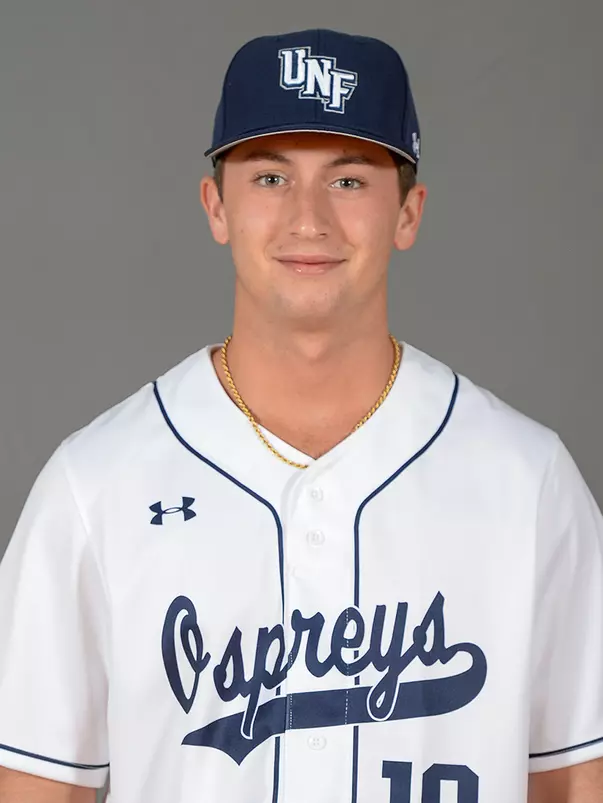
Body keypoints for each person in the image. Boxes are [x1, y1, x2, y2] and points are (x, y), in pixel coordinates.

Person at [0, 27, 601, 803]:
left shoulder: (529, 484)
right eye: (270, 177)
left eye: (348, 180)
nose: (308, 218)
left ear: (408, 212)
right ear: (216, 206)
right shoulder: (95, 486)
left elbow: (577, 779)